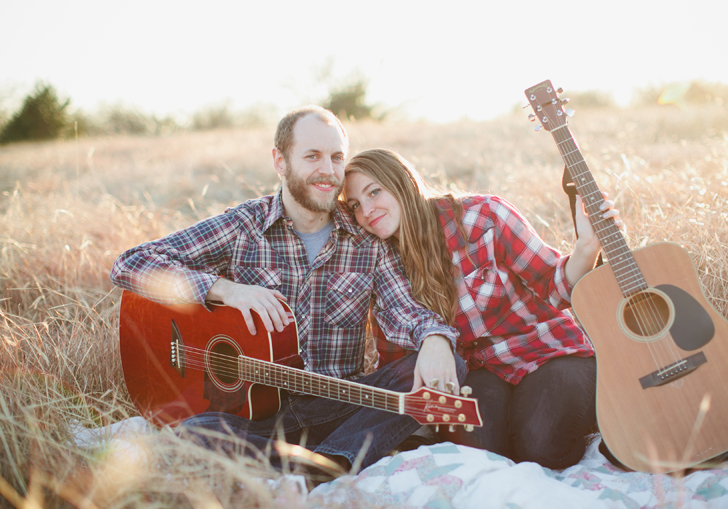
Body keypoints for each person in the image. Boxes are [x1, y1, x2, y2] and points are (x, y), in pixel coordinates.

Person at [110, 107, 465, 479]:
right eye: (312, 156)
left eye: (336, 157)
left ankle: (323, 467)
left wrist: (435, 338)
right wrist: (224, 290)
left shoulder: (367, 241)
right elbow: (131, 263)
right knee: (197, 433)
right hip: (255, 414)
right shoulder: (244, 226)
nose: (328, 170)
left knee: (440, 364)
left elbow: (406, 311)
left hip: (337, 404)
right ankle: (331, 457)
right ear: (280, 161)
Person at [343, 148, 621, 470]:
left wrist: (587, 247)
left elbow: (552, 284)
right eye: (354, 206)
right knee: (481, 454)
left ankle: (601, 412)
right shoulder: (382, 263)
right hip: (477, 372)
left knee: (541, 444)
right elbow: (397, 359)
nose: (366, 210)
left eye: (374, 192)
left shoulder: (482, 216)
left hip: (547, 351)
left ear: (403, 181)